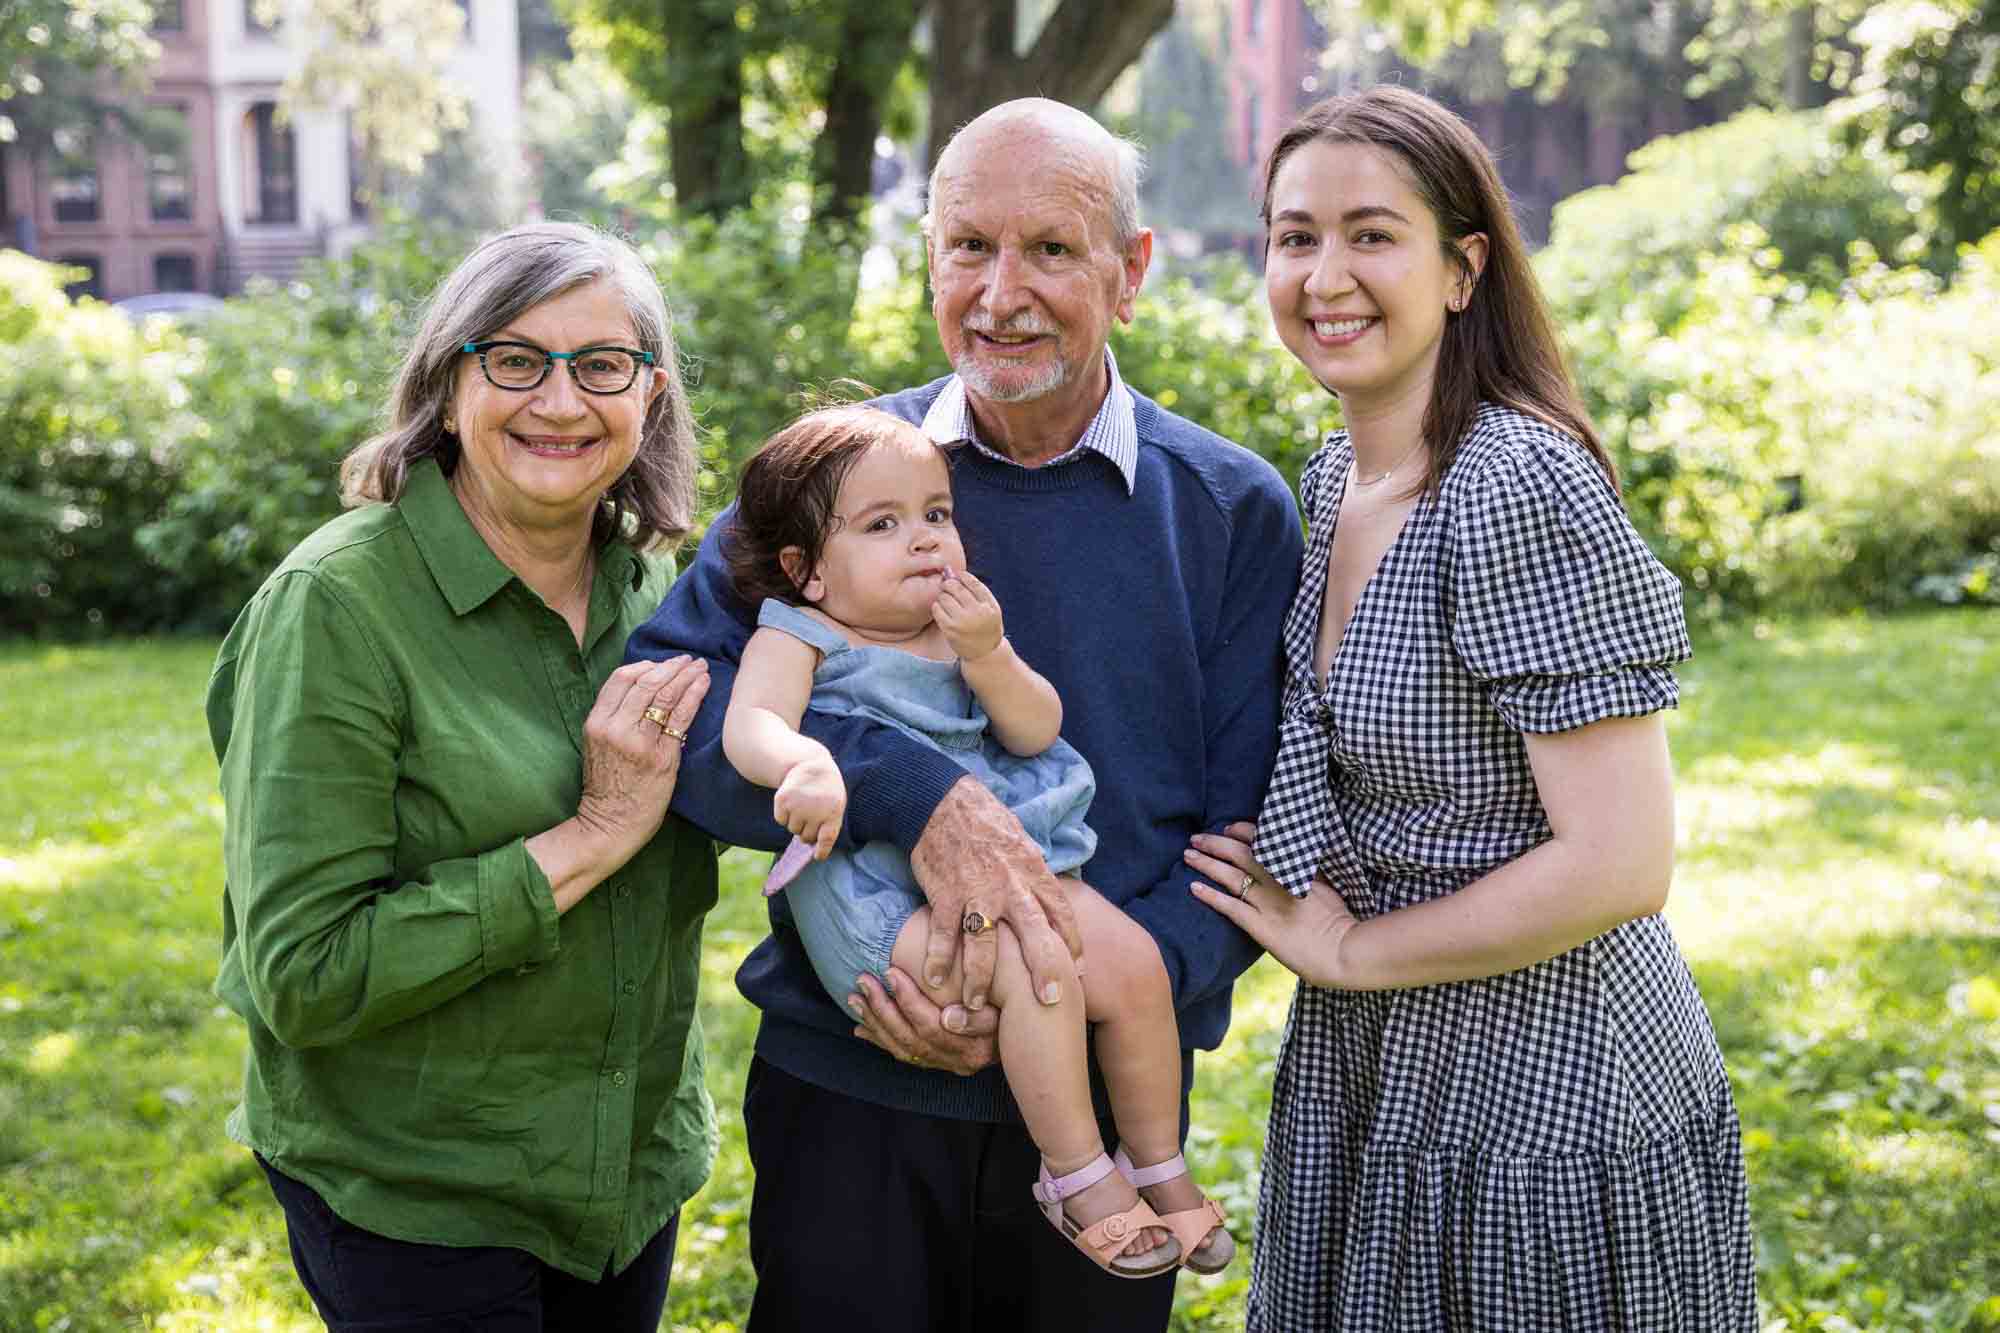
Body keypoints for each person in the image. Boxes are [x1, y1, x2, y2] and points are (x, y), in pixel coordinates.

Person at [626, 99, 1302, 1330]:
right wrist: (900, 789)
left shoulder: (1227, 509)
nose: (1001, 293)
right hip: (855, 1081)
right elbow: (672, 709)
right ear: (927, 261)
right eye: (966, 247)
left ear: (1129, 270)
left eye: (1050, 249)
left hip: (1104, 1100)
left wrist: (1122, 976)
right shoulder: (837, 474)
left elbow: (1249, 824)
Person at [1184, 87, 1758, 1329]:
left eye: (1370, 233)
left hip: (1542, 1088)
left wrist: (1349, 952)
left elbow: (1619, 862)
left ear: (1462, 268)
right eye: (1294, 236)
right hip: (1376, 1072)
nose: (1324, 275)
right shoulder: (1336, 476)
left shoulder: (1512, 484)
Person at [208, 221, 720, 1332]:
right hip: (421, 1201)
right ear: (448, 387)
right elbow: (303, 970)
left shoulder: (660, 599)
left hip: (623, 1176)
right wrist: (588, 835)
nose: (560, 400)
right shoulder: (336, 609)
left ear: (650, 396)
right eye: (515, 359)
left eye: (600, 365)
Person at [720, 405, 1235, 1278]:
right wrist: (803, 762)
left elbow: (1035, 731)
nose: (925, 540)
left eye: (936, 514)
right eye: (882, 526)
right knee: (1031, 968)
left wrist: (990, 654)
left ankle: (1157, 1163)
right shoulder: (801, 632)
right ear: (803, 570)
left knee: (1136, 966)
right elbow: (750, 723)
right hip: (876, 898)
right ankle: (1075, 1175)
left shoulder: (956, 629)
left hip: (1016, 862)